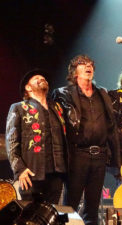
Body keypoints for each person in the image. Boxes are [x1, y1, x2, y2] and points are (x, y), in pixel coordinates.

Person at [52, 54, 120, 225]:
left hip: (99, 155)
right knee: (71, 205)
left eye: (90, 64)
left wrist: (116, 160)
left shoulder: (102, 93)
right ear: (75, 72)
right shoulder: (63, 94)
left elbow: (112, 127)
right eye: (83, 64)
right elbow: (55, 126)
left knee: (93, 206)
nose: (88, 66)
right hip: (77, 155)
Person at [5, 69, 66, 204]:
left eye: (43, 77)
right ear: (28, 88)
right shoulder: (19, 108)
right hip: (31, 173)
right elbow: (11, 142)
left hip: (57, 173)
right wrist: (20, 170)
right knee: (30, 218)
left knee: (53, 216)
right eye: (36, 78)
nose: (41, 78)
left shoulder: (57, 108)